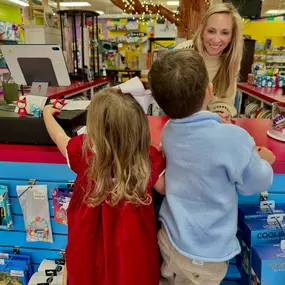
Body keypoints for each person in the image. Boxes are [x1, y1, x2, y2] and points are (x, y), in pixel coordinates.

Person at [148, 49, 275, 285]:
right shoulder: (233, 138)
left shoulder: (169, 131)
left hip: (169, 236)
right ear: (209, 90)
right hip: (204, 254)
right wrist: (265, 160)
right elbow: (256, 182)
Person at [43, 88, 166, 285]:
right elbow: (164, 188)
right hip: (133, 251)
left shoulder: (84, 151)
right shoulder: (147, 156)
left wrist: (46, 114)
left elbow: (59, 137)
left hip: (88, 247)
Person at [175, 3, 243, 123]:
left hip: (211, 123)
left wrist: (221, 113)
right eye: (211, 31)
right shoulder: (182, 51)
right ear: (202, 30)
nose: (216, 40)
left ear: (232, 36)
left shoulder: (231, 60)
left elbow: (225, 100)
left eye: (225, 33)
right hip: (179, 120)